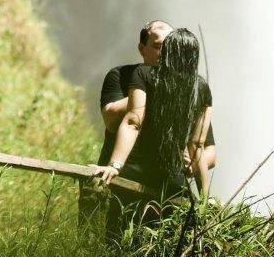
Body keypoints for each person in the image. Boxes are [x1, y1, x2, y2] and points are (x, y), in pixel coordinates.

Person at [93, 27, 213, 239]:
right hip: (171, 187)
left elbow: (133, 122)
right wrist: (204, 198)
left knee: (118, 242)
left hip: (133, 179)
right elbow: (197, 145)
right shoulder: (201, 87)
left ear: (168, 51)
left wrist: (115, 165)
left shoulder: (144, 74)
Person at [98, 20, 216, 189]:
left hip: (169, 184)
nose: (165, 53)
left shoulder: (194, 88)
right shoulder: (123, 75)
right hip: (125, 176)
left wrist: (193, 167)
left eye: (171, 47)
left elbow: (204, 147)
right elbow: (113, 120)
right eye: (158, 46)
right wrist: (154, 89)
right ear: (141, 49)